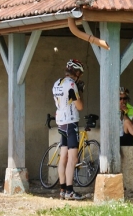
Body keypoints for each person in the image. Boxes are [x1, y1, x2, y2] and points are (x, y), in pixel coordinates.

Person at [52, 59, 86, 200]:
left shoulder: (56, 83)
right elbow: (80, 106)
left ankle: (62, 189)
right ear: (76, 73)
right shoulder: (71, 85)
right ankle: (70, 190)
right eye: (80, 73)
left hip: (60, 121)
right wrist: (80, 91)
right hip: (71, 122)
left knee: (63, 156)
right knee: (73, 158)